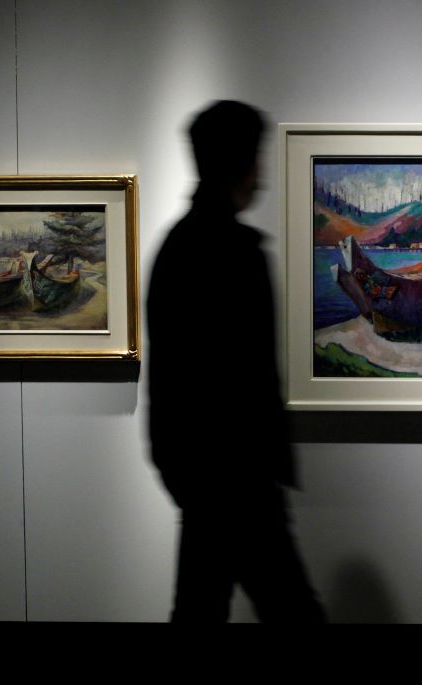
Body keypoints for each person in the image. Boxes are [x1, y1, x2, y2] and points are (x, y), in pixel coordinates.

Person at [147, 100, 326, 626]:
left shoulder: (178, 248)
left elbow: (168, 381)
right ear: (243, 164)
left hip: (205, 478)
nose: (263, 172)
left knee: (199, 617)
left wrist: (179, 471)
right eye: (258, 158)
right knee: (293, 617)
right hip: (240, 480)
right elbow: (250, 381)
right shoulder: (236, 252)